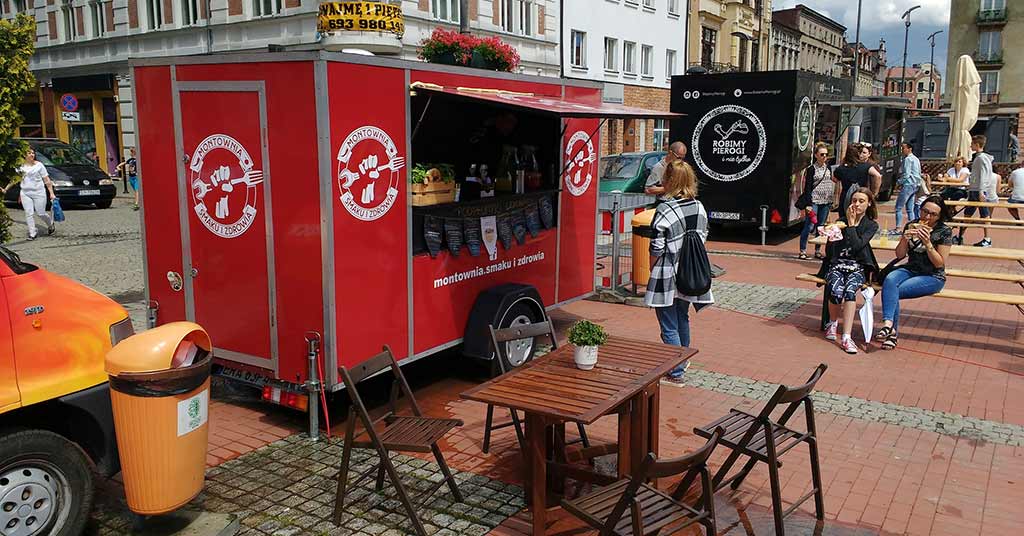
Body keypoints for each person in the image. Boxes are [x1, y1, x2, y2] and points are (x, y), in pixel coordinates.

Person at [646, 160, 713, 382]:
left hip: (667, 272)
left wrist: (652, 268)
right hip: (689, 273)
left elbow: (657, 246)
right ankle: (683, 360)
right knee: (682, 317)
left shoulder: (665, 209)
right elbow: (703, 237)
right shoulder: (699, 206)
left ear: (668, 180)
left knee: (668, 324)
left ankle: (676, 369)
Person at [876, 195, 954, 350]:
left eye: (933, 214)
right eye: (925, 211)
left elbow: (939, 263)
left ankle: (891, 333)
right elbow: (900, 255)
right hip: (911, 269)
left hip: (932, 276)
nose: (927, 217)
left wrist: (928, 243)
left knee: (892, 291)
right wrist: (904, 239)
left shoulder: (944, 231)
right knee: (890, 279)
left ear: (939, 216)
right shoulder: (911, 225)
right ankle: (888, 325)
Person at [814, 188, 879, 355]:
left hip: (858, 266)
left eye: (861, 201)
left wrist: (851, 225)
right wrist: (832, 234)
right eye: (854, 200)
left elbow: (857, 246)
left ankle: (846, 336)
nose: (856, 204)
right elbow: (830, 250)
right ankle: (833, 323)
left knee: (850, 291)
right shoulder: (840, 222)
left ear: (869, 204)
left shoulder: (871, 225)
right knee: (836, 292)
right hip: (837, 264)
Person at [956, 135, 996, 247]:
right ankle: (960, 236)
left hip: (979, 190)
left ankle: (987, 238)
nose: (970, 146)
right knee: (968, 213)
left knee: (984, 214)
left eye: (972, 144)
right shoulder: (979, 157)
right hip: (975, 189)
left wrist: (982, 191)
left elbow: (984, 175)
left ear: (977, 145)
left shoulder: (982, 158)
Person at [798, 143, 835, 260]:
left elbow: (830, 182)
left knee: (821, 226)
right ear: (816, 155)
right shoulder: (811, 169)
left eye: (826, 155)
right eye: (822, 154)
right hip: (814, 200)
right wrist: (808, 204)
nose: (824, 157)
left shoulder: (828, 168)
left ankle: (817, 250)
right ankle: (802, 250)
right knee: (809, 225)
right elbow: (807, 187)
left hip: (826, 200)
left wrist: (831, 200)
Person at [11, 148, 57, 241]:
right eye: (29, 153)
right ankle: (32, 233)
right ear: (24, 155)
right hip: (25, 192)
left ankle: (50, 224)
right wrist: (6, 188)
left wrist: (51, 193)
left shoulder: (39, 165)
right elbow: (15, 179)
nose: (32, 154)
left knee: (41, 213)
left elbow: (47, 180)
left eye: (33, 153)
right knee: (29, 213)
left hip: (39, 192)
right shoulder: (20, 167)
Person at [833, 144, 882, 218]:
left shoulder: (841, 168)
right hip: (861, 196)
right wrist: (874, 192)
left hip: (845, 198)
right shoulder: (865, 166)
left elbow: (834, 179)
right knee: (861, 218)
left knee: (845, 219)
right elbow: (878, 176)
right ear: (858, 154)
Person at [895, 142, 921, 232]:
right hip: (915, 185)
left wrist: (899, 182)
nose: (902, 150)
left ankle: (898, 228)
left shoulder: (908, 159)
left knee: (898, 207)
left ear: (909, 149)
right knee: (910, 209)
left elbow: (906, 174)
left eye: (904, 148)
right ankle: (912, 226)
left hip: (908, 184)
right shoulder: (916, 159)